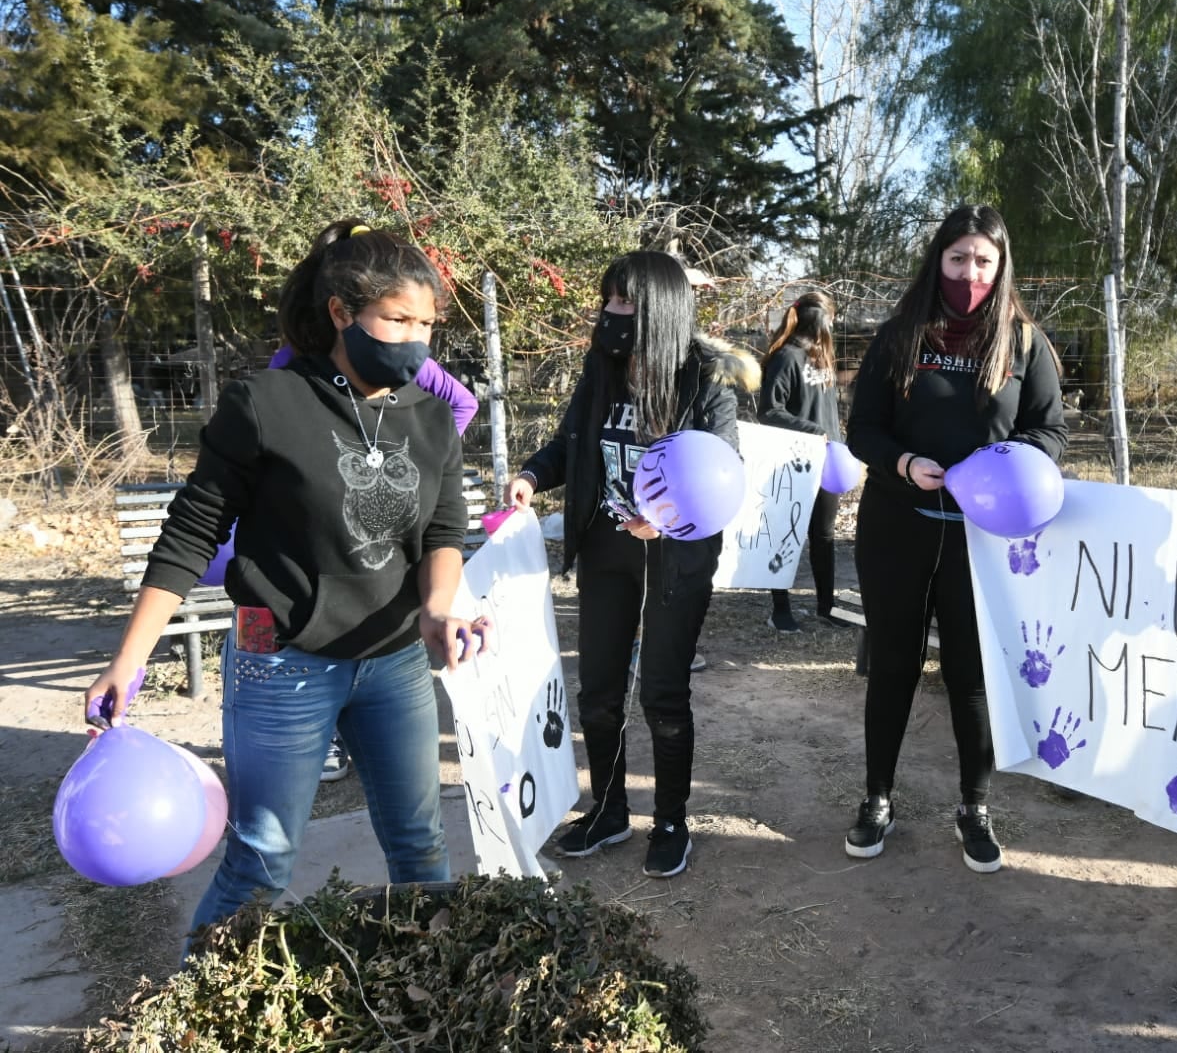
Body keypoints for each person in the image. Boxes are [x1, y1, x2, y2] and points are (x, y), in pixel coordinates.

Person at [83, 220, 481, 940]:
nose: (415, 340)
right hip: (280, 665)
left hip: (393, 664)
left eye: (426, 324)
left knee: (422, 849)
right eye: (396, 320)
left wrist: (437, 609)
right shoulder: (265, 404)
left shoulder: (430, 420)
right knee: (263, 857)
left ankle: (430, 1000)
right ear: (340, 312)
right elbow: (189, 534)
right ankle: (193, 1013)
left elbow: (445, 532)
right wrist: (127, 660)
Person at [504, 251, 757, 879]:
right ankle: (609, 807)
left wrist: (668, 517)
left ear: (658, 311)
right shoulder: (603, 367)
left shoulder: (707, 377)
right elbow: (570, 442)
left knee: (663, 695)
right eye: (608, 301)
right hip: (608, 551)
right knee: (598, 694)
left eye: (623, 303)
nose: (610, 314)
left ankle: (671, 820)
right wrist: (532, 476)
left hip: (678, 557)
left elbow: (722, 472)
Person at [842, 205, 1068, 875]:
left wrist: (997, 469)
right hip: (895, 529)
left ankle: (974, 805)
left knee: (971, 678)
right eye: (958, 259)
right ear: (936, 260)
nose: (970, 273)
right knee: (892, 667)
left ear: (1001, 268)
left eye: (983, 261)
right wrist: (904, 465)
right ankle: (876, 797)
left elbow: (1049, 433)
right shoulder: (899, 336)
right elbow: (863, 431)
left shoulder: (1024, 343)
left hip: (984, 541)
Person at [269, 345, 480, 782]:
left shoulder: (402, 356)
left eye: (421, 323)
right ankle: (327, 734)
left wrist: (427, 465)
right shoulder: (285, 367)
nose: (414, 332)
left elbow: (463, 403)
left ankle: (357, 734)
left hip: (389, 572)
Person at [758, 290, 849, 632]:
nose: (835, 323)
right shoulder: (786, 357)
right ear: (821, 319)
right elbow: (769, 410)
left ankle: (827, 607)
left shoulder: (822, 357)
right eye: (832, 316)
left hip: (827, 461)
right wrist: (812, 430)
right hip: (792, 462)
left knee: (823, 536)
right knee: (785, 534)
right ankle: (780, 610)